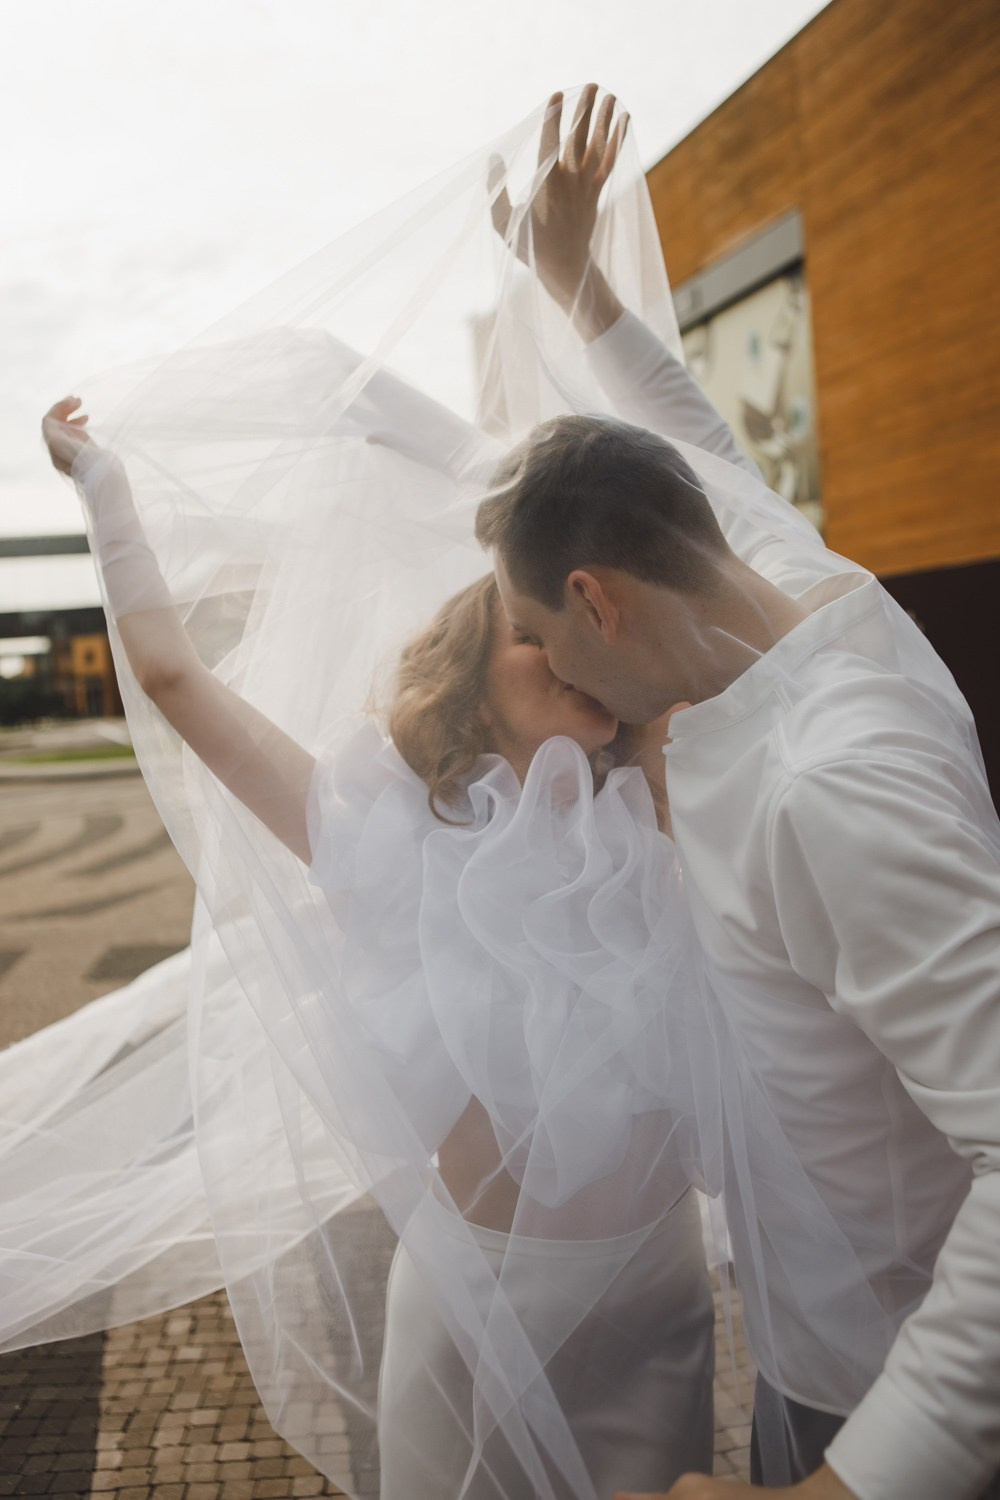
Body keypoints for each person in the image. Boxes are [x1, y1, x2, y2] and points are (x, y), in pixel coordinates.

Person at [39, 385, 717, 1500]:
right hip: (488, 1307)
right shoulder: (377, 840)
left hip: (659, 1294)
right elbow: (172, 678)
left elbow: (660, 519)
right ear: (470, 673)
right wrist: (104, 489)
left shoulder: (645, 805)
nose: (567, 644)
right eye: (528, 629)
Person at [477, 88, 1000, 1500]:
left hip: (886, 1388)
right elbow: (684, 430)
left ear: (596, 598)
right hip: (802, 1336)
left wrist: (851, 1488)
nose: (543, 673)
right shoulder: (797, 586)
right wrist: (574, 282)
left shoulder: (829, 788)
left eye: (537, 634)